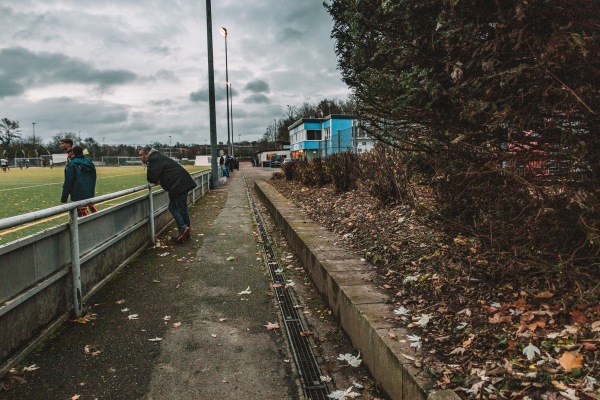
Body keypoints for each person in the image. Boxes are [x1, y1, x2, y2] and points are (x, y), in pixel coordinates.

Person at [139, 147, 197, 243]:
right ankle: (184, 231)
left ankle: (184, 230)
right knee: (174, 208)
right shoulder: (157, 157)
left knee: (180, 208)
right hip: (178, 184)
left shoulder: (152, 159)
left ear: (146, 154)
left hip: (178, 185)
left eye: (141, 155)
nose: (140, 157)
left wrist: (157, 179)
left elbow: (151, 177)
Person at [61, 146, 98, 217]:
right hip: (89, 190)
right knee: (88, 208)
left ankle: (90, 225)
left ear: (73, 153)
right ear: (82, 152)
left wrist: (64, 198)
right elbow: (94, 176)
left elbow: (68, 181)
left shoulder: (72, 164)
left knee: (81, 212)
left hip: (77, 192)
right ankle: (97, 221)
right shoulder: (89, 162)